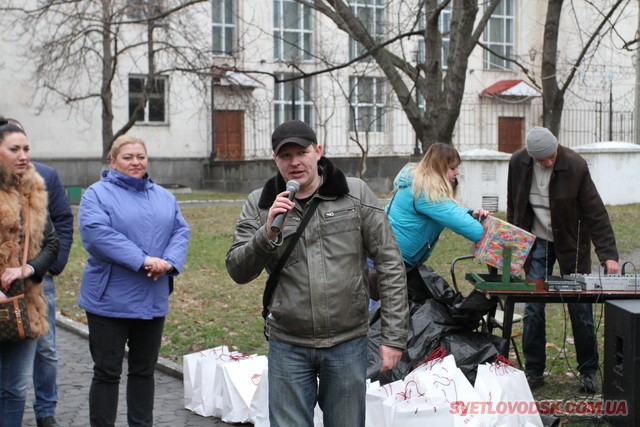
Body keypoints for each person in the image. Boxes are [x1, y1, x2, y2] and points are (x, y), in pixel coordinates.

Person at [226, 120, 409, 427]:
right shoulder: (260, 203)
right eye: (286, 156)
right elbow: (238, 270)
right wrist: (266, 233)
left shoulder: (355, 194)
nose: (295, 162)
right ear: (276, 160)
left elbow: (390, 263)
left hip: (347, 342)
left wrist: (393, 337)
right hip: (288, 344)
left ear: (318, 151)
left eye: (302, 152)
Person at [77, 134, 190, 426]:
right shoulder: (96, 194)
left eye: (140, 156)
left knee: (144, 371)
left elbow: (181, 231)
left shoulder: (164, 196)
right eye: (127, 157)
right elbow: (98, 235)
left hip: (152, 296)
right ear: (112, 161)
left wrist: (169, 262)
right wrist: (143, 260)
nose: (135, 162)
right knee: (107, 372)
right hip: (108, 300)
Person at [507, 126, 619, 394]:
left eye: (551, 156)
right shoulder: (518, 163)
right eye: (542, 159)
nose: (548, 162)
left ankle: (588, 371)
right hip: (536, 242)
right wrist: (514, 245)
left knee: (580, 308)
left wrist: (608, 254)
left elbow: (595, 212)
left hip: (571, 243)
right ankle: (533, 371)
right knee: (533, 307)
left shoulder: (575, 166)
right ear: (531, 157)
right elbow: (514, 204)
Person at [1, 116, 74, 427]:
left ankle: (42, 413)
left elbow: (53, 240)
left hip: (25, 303)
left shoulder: (35, 188)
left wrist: (29, 268)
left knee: (15, 387)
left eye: (26, 148)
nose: (24, 155)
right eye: (15, 149)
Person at [385, 142, 489, 273]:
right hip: (393, 262)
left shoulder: (418, 184)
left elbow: (446, 210)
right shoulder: (424, 192)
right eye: (452, 168)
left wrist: (470, 213)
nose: (457, 172)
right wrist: (496, 241)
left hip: (391, 256)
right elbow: (455, 217)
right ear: (439, 169)